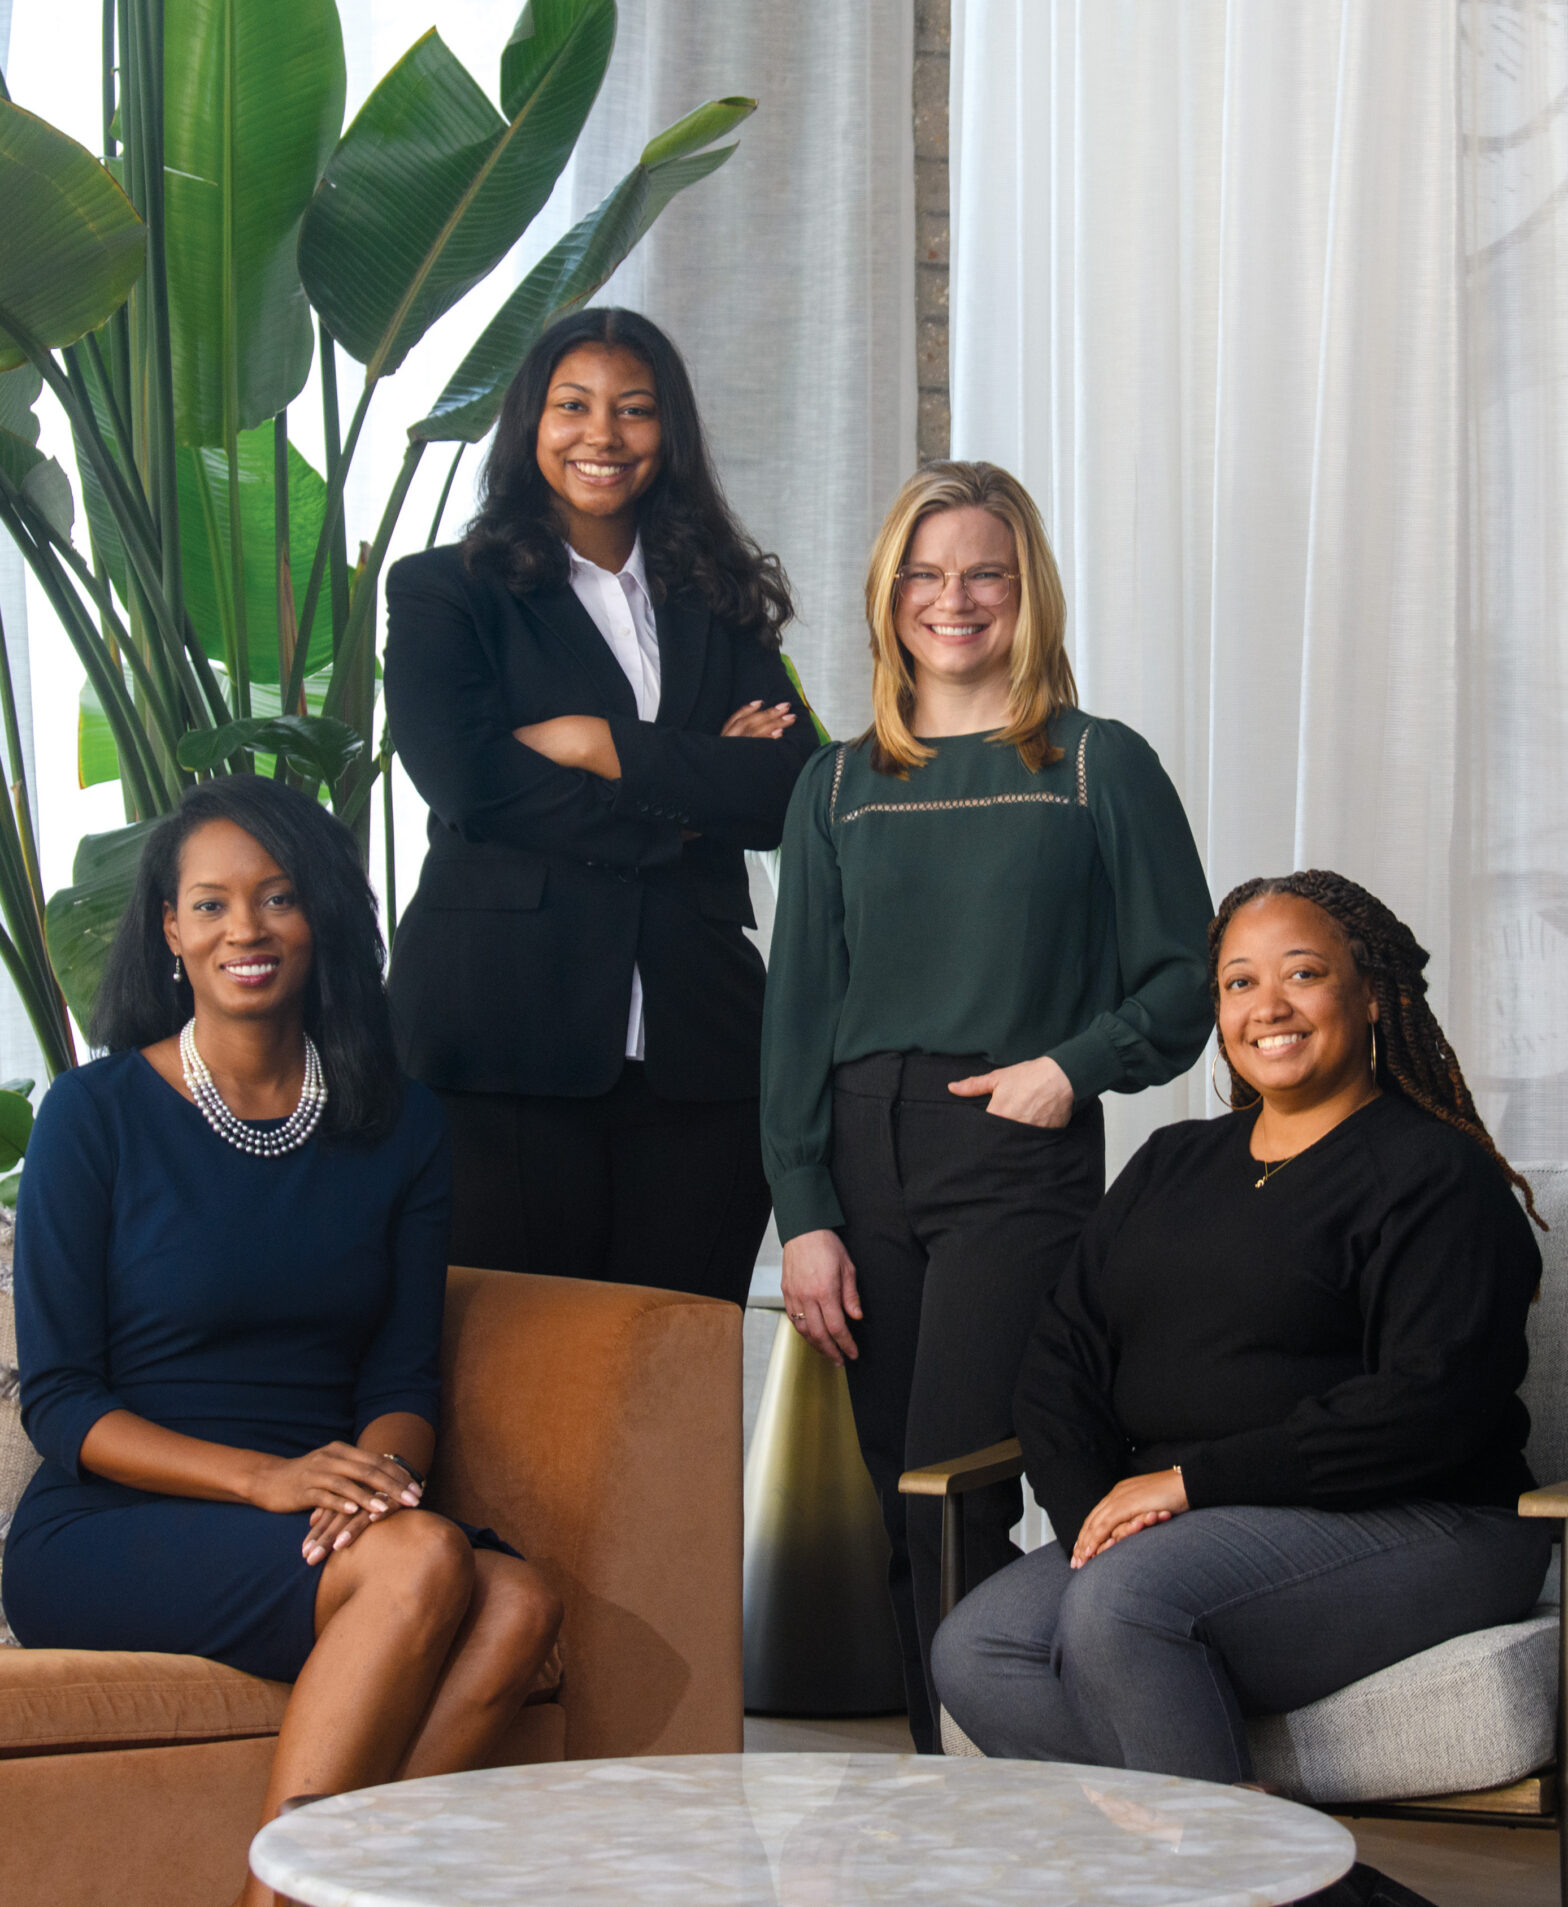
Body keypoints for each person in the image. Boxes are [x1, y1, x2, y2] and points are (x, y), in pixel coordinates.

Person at [3, 778, 562, 1907]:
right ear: (169, 929)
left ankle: (298, 1896)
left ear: (321, 917)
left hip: (319, 1511)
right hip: (116, 1519)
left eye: (277, 897)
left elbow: (402, 1374)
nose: (244, 930)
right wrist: (270, 1479)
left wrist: (377, 1479)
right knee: (426, 1561)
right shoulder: (94, 1113)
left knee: (519, 1603)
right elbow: (59, 1400)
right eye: (209, 904)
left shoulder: (399, 1121)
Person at [760, 460, 1213, 1751]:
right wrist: (804, 1212)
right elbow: (795, 1016)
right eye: (924, 572)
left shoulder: (1095, 764)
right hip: (860, 1154)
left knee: (955, 1479)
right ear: (887, 594)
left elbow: (1187, 976)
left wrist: (1073, 1065)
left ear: (1028, 592)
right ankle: (945, 1787)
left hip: (1013, 1149)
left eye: (983, 574)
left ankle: (1058, 1768)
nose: (951, 599)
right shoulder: (834, 785)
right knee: (895, 1499)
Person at [931, 871, 1549, 1809]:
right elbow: (1060, 1363)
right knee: (979, 1648)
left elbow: (1430, 1404)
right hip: (1188, 1528)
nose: (1269, 1007)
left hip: (1423, 1518)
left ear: (1370, 994)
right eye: (1239, 982)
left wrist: (1189, 1483)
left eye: (1303, 973)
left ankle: (1229, 1855)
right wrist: (1097, 1515)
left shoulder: (1435, 1172)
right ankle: (1248, 1835)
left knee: (1123, 1607)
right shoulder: (1171, 1162)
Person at [384, 307, 818, 1305]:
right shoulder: (446, 592)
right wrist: (691, 794)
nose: (603, 435)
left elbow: (789, 789)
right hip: (500, 1046)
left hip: (700, 1057)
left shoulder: (716, 596)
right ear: (530, 423)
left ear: (669, 431)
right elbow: (471, 783)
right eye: (573, 406)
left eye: (634, 409)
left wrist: (597, 744)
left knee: (673, 1362)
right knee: (516, 1369)